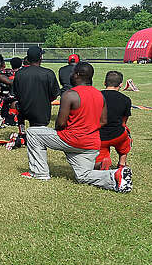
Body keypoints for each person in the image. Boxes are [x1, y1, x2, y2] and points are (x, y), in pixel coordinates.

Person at [22, 62, 131, 191]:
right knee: (82, 176)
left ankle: (39, 173)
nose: (71, 75)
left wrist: (67, 138)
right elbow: (103, 121)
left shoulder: (70, 94)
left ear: (78, 75)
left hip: (73, 139)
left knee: (33, 132)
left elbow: (60, 124)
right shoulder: (99, 94)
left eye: (73, 73)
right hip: (92, 144)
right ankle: (114, 175)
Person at [97, 70, 133, 171]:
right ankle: (122, 163)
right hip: (118, 135)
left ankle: (103, 161)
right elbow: (124, 121)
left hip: (100, 136)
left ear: (104, 83)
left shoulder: (96, 96)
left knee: (102, 150)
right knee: (126, 139)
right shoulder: (126, 99)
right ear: (121, 84)